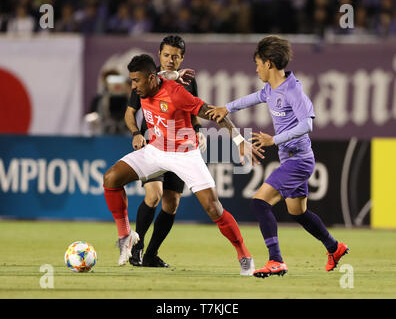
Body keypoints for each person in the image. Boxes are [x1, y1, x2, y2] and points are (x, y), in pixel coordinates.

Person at [103, 54, 263, 275]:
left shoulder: (176, 93)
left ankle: (244, 254)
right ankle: (125, 235)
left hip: (184, 154)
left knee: (213, 207)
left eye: (136, 81)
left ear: (150, 78)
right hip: (155, 150)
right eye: (131, 80)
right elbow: (160, 76)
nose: (133, 86)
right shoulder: (146, 84)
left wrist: (238, 140)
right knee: (111, 178)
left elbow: (213, 113)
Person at [206, 35, 349, 278]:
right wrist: (226, 108)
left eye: (258, 64)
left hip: (298, 160)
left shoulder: (292, 89)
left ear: (269, 63)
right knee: (297, 212)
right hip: (291, 159)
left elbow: (307, 124)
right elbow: (252, 98)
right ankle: (334, 247)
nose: (257, 69)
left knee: (259, 202)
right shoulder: (270, 89)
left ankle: (276, 260)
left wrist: (275, 140)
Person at [124, 35, 206, 268]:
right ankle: (136, 248)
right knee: (154, 195)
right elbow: (130, 112)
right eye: (167, 55)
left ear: (183, 58)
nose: (170, 60)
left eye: (175, 56)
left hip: (180, 148)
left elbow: (193, 110)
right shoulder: (147, 77)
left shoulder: (188, 81)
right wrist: (135, 133)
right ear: (159, 54)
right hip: (154, 145)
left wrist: (198, 129)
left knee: (171, 204)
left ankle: (151, 254)